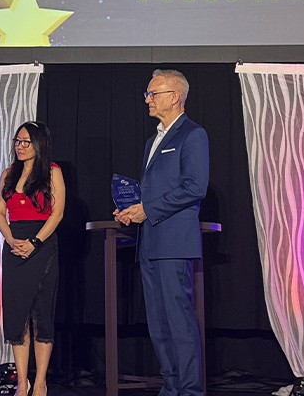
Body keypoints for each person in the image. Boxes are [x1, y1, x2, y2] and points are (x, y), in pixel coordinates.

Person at [114, 69, 209, 396]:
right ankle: (171, 387)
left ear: (175, 96)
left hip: (173, 244)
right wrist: (132, 209)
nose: (148, 99)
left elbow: (195, 187)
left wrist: (148, 210)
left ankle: (190, 390)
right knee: (159, 325)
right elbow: (155, 191)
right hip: (150, 243)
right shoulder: (152, 140)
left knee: (179, 323)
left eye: (153, 93)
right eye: (148, 93)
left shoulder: (192, 135)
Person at [0, 121, 66, 396]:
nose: (20, 146)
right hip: (14, 245)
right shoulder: (8, 174)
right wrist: (11, 239)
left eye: (26, 142)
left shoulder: (52, 172)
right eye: (17, 141)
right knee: (17, 314)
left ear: (39, 144)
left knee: (41, 313)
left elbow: (57, 213)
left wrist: (35, 242)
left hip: (42, 244)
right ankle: (22, 382)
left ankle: (40, 383)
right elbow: (0, 213)